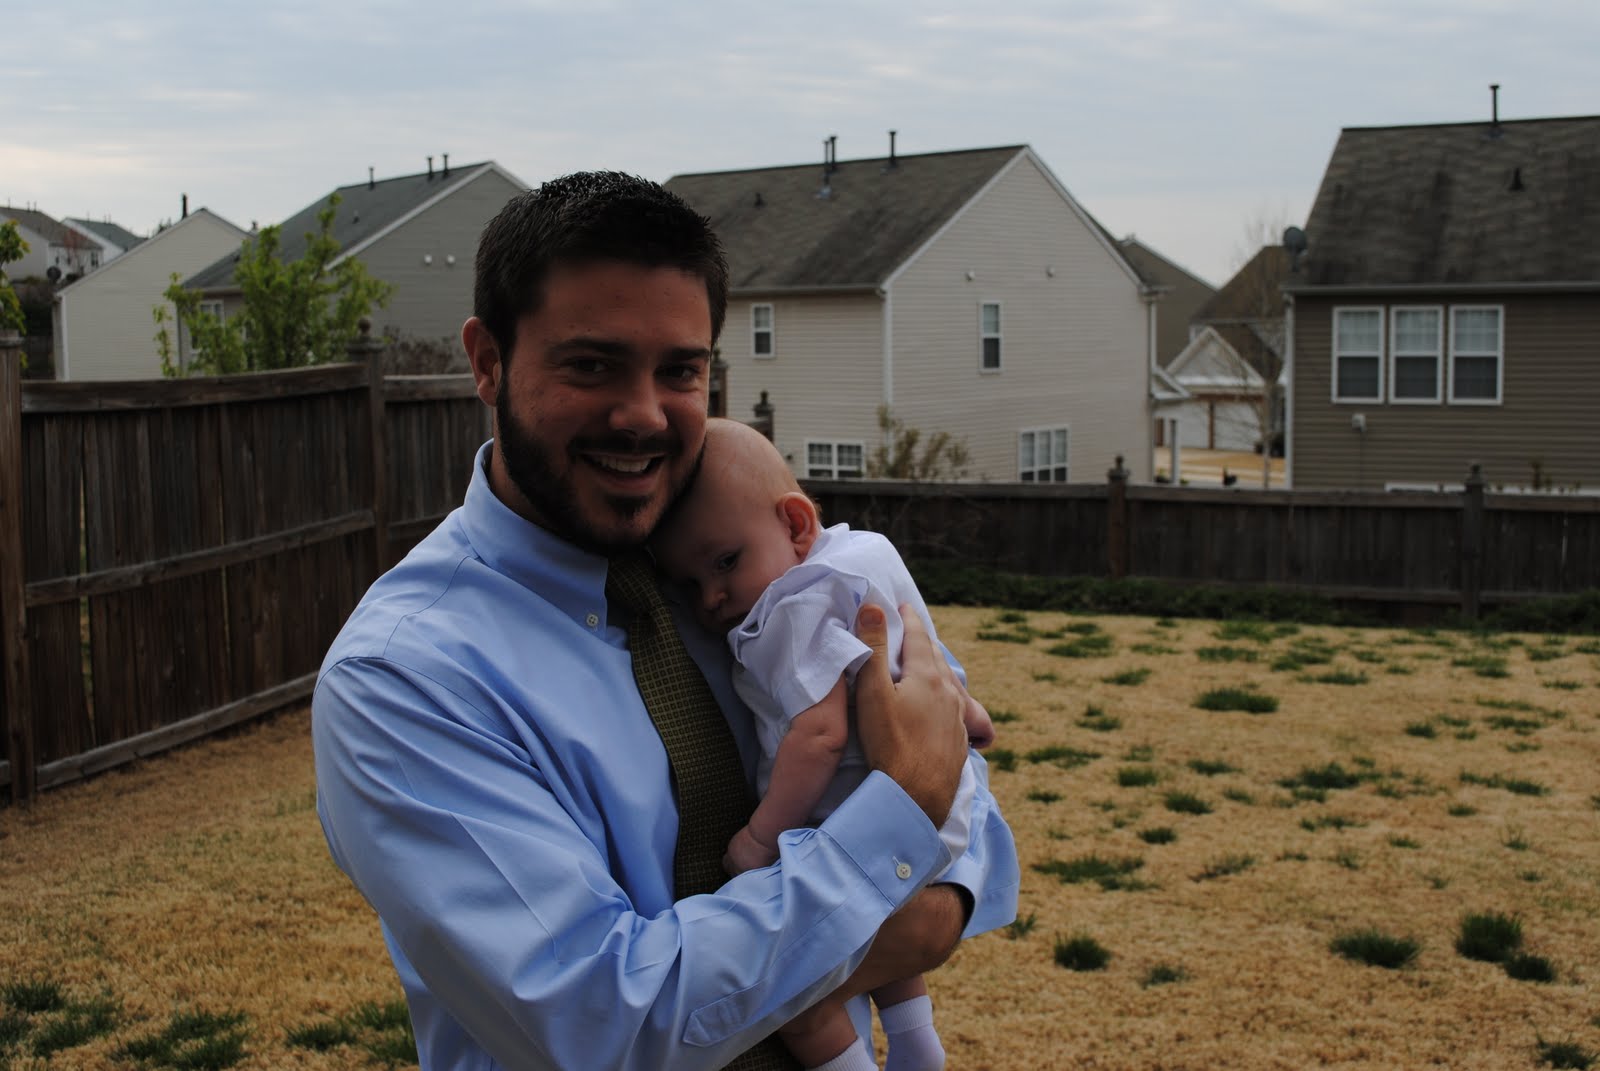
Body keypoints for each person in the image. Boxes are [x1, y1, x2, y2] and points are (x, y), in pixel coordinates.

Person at [311, 171, 1019, 1071]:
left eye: (679, 370)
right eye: (591, 364)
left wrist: (925, 887)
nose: (643, 414)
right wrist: (898, 830)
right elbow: (606, 1024)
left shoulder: (733, 567)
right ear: (487, 360)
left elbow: (968, 818)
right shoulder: (406, 677)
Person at [652, 418, 998, 1071]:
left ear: (795, 524)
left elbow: (820, 736)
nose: (713, 597)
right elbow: (919, 645)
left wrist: (760, 837)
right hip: (947, 808)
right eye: (691, 585)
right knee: (876, 920)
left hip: (865, 811)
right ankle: (917, 1042)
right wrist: (970, 714)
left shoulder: (790, 607)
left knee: (797, 997)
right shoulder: (867, 552)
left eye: (725, 562)